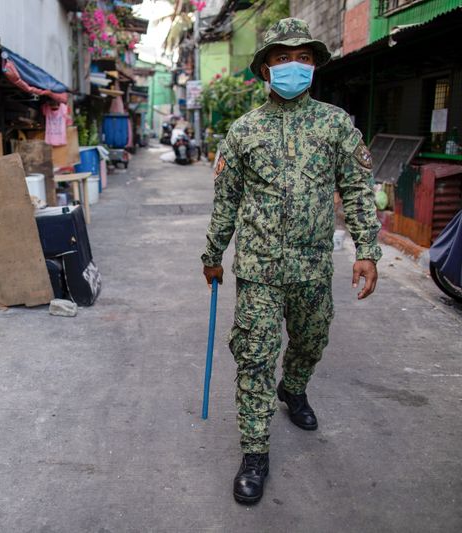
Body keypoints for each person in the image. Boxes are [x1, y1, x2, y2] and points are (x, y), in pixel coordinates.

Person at [200, 18, 381, 505]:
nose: (293, 66)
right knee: (254, 358)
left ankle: (295, 387)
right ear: (264, 68)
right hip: (258, 270)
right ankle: (255, 452)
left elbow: (358, 190)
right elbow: (226, 202)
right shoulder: (243, 132)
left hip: (312, 267)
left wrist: (367, 249)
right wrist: (213, 253)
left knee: (311, 339)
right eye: (282, 58)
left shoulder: (335, 123)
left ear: (315, 65)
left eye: (303, 57)